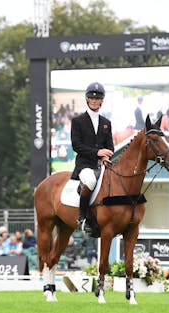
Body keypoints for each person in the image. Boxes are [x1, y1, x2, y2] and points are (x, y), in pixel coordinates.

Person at [71, 82, 114, 235]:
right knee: (90, 181)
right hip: (85, 165)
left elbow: (110, 147)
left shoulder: (106, 123)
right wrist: (97, 153)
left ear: (102, 101)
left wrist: (106, 157)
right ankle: (82, 217)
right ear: (87, 99)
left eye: (97, 99)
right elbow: (76, 146)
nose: (94, 101)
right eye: (91, 98)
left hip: (102, 165)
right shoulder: (78, 121)